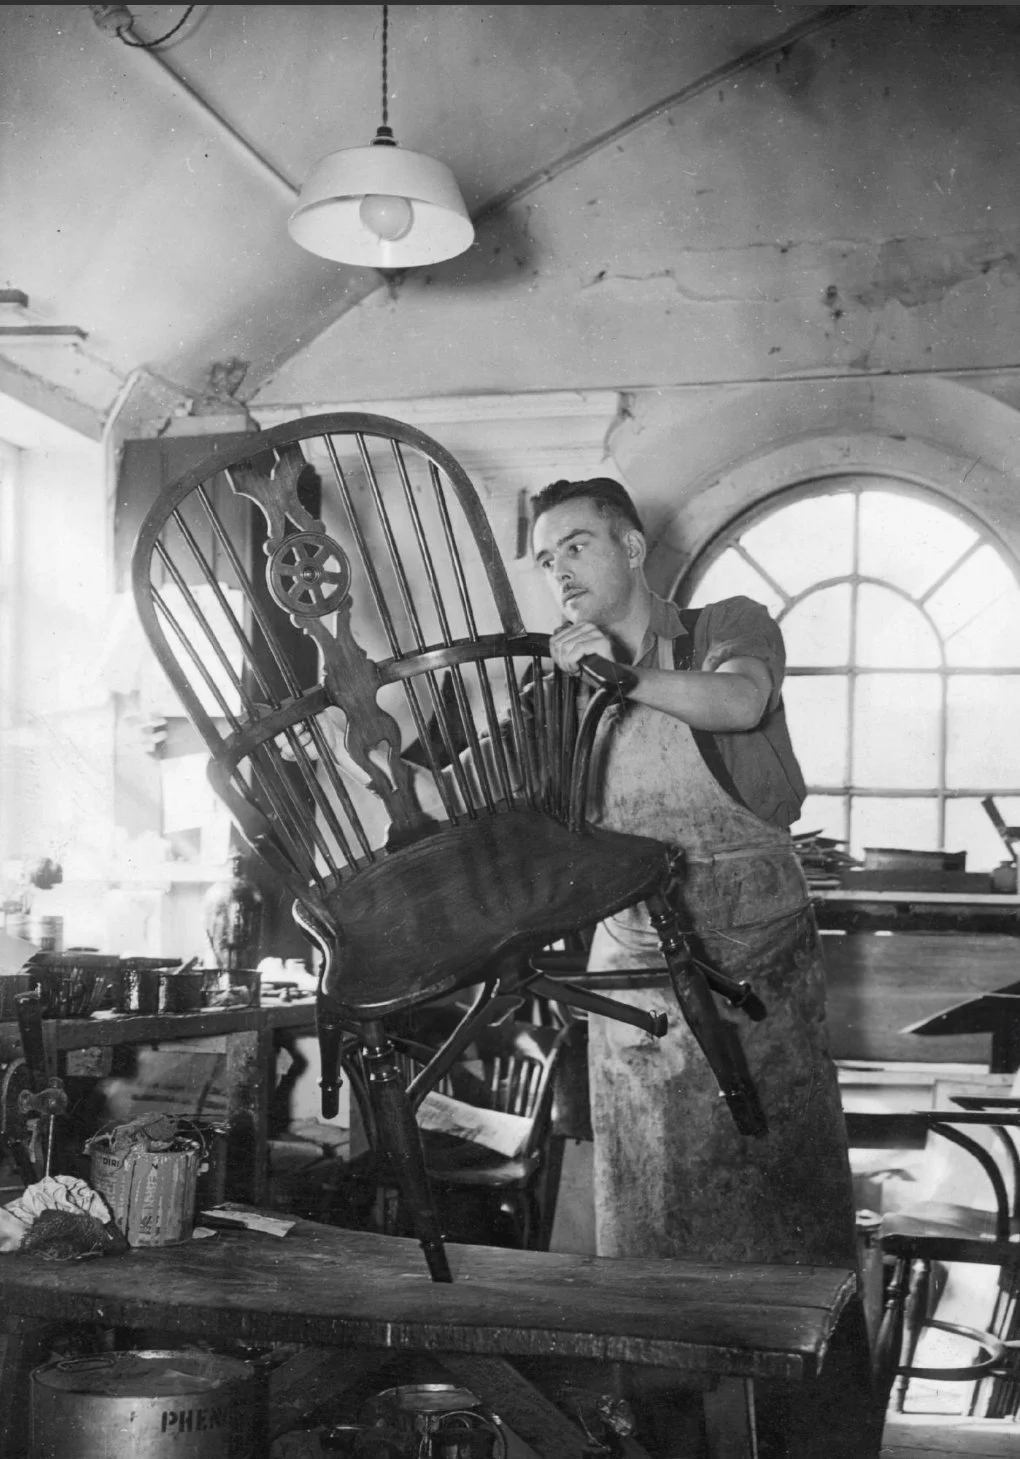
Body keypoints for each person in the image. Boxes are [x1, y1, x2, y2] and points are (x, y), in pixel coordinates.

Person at [530, 475, 858, 1273]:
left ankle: (807, 1397)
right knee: (648, 1217)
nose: (560, 571)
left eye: (577, 545)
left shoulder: (726, 624)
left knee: (786, 1220)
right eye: (545, 559)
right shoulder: (557, 690)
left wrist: (622, 677)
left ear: (633, 548)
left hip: (758, 966)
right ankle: (653, 1400)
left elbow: (741, 701)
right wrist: (357, 755)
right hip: (637, 974)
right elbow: (479, 789)